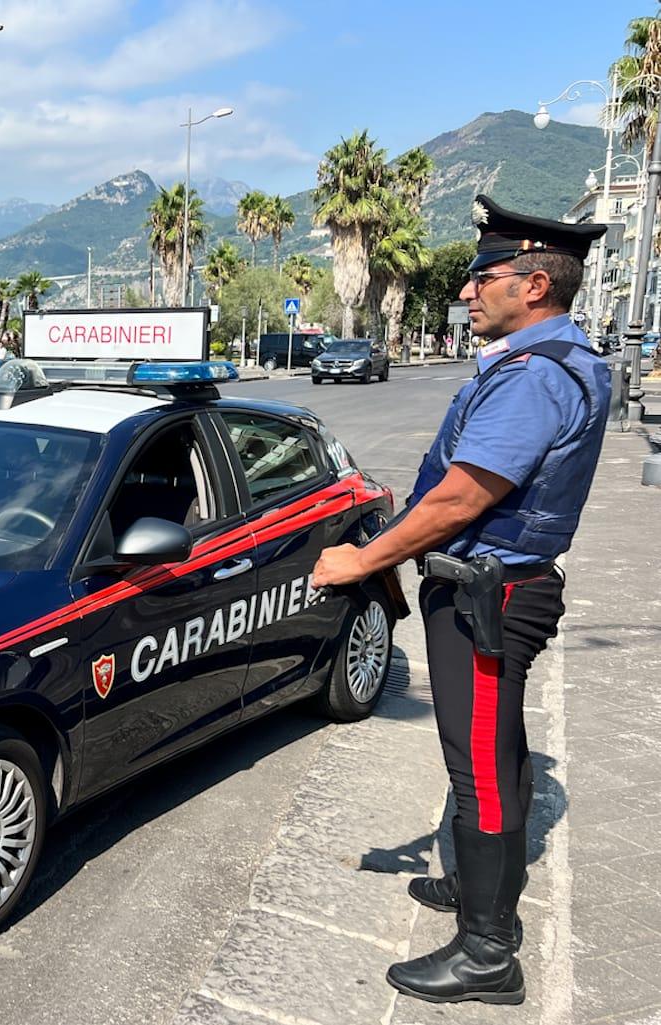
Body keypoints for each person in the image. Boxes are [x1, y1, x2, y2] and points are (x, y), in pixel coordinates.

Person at [312, 195, 610, 1006]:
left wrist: (358, 560)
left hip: (487, 595)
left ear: (535, 284)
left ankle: (487, 951)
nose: (469, 290)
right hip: (494, 588)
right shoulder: (551, 360)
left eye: (485, 275)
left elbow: (459, 499)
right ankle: (480, 892)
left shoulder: (533, 377)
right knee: (495, 749)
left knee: (478, 764)